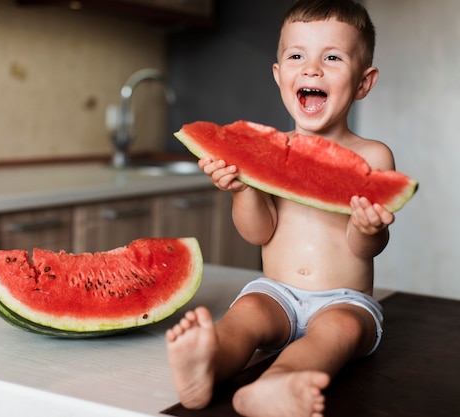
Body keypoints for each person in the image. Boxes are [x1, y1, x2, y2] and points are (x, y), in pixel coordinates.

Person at [166, 1, 395, 416]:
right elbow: (259, 233)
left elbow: (367, 249)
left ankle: (275, 384)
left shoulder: (373, 157)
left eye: (332, 57)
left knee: (340, 331)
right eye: (296, 56)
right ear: (279, 75)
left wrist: (367, 227)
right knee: (246, 313)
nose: (311, 69)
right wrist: (243, 189)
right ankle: (208, 366)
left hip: (344, 299)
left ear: (364, 82)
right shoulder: (267, 152)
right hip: (276, 292)